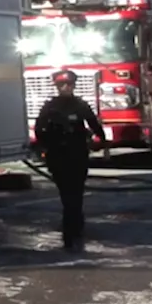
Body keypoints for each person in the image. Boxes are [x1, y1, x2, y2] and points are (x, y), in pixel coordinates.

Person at [33, 69, 104, 253]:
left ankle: (75, 226)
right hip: (58, 156)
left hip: (77, 154)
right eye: (62, 85)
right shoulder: (49, 107)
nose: (66, 88)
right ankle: (71, 228)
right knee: (67, 194)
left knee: (76, 192)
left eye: (69, 85)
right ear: (57, 87)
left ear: (73, 86)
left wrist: (102, 143)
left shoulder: (80, 105)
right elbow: (39, 130)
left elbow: (94, 125)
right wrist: (44, 147)